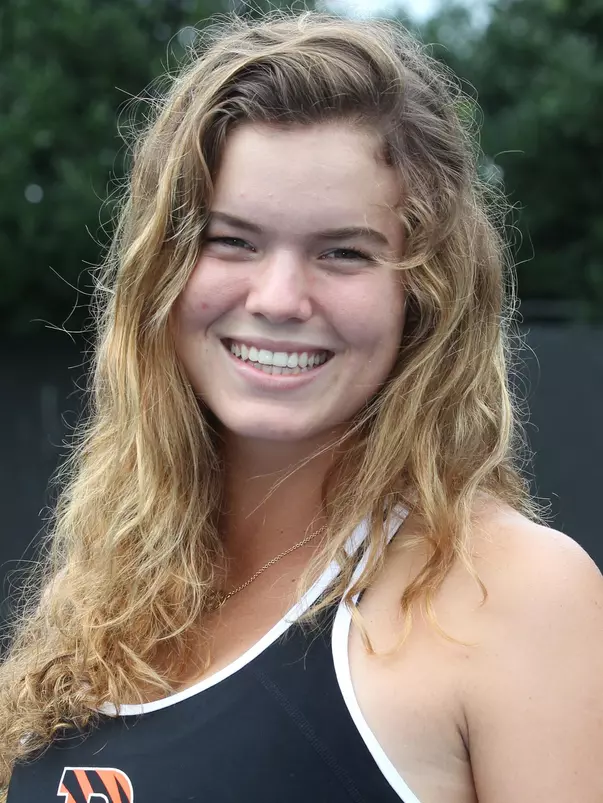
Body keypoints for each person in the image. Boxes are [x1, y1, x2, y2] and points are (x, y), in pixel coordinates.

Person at [1, 9, 602, 803]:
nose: (279, 298)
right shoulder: (95, 598)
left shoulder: (517, 598)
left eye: (342, 252)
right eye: (232, 240)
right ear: (161, 270)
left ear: (421, 293)